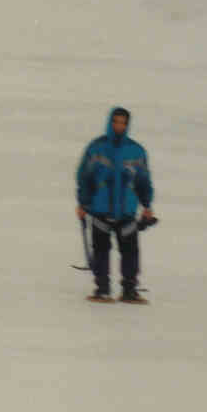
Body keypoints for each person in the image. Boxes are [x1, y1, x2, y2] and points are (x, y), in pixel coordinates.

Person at [75, 106, 154, 302]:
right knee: (100, 250)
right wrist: (83, 203)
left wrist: (147, 205)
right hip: (100, 210)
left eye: (123, 122)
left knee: (130, 252)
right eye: (116, 122)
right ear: (110, 122)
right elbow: (84, 177)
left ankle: (129, 289)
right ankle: (102, 288)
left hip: (126, 211)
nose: (119, 126)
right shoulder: (96, 148)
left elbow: (143, 181)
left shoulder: (136, 151)